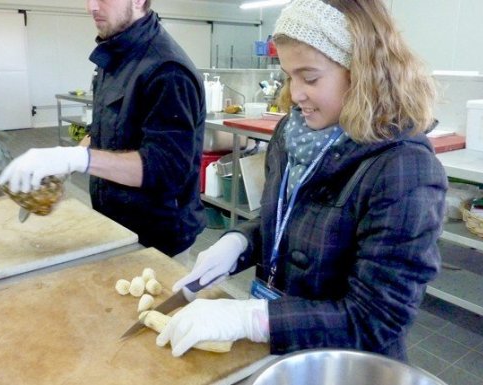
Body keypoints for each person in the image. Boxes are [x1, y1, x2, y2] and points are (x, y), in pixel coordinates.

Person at [157, 0, 447, 361]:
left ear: (362, 71)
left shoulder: (403, 169)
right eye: (288, 76)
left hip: (346, 366)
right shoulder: (291, 135)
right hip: (287, 348)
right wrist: (237, 243)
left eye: (309, 78)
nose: (295, 94)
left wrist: (254, 319)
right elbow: (286, 222)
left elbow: (376, 318)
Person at [0, 0, 206, 257]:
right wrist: (64, 165)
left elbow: (165, 170)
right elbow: (101, 127)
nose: (91, 7)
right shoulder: (116, 54)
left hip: (157, 242)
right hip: (115, 225)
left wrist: (76, 158)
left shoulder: (168, 70)